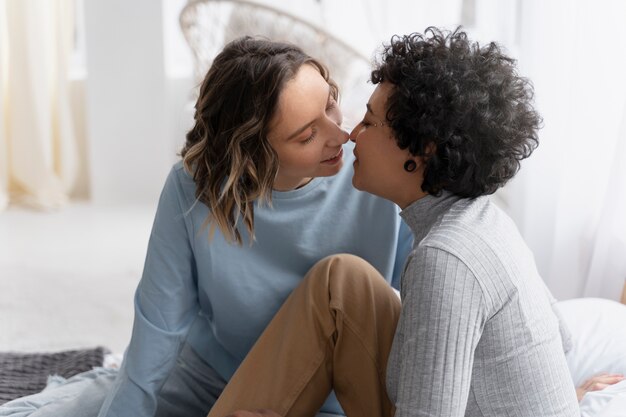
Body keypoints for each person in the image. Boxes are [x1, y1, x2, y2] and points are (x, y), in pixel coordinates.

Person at [0, 38, 411, 417]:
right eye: (307, 135)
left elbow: (425, 297)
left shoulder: (373, 175)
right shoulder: (193, 186)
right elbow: (159, 323)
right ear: (251, 157)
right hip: (207, 372)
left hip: (326, 397)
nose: (340, 133)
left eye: (331, 103)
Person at [204, 27, 601, 417]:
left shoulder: (446, 259)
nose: (352, 134)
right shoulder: (486, 221)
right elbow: (559, 337)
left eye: (371, 121)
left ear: (421, 151)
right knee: (341, 279)